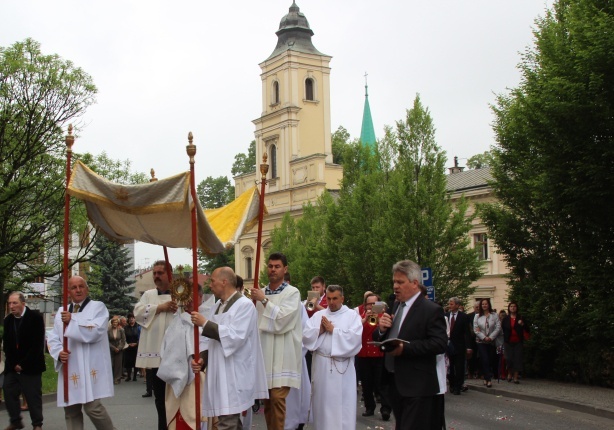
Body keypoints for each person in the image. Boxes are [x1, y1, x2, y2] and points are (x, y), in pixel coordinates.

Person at [191, 267, 269, 429]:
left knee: (227, 422)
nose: (210, 285)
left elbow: (235, 337)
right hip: (220, 373)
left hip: (234, 373)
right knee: (230, 421)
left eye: (213, 281)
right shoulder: (217, 306)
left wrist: (205, 323)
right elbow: (207, 340)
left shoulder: (245, 306)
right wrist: (202, 359)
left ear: (224, 282)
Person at [374, 260, 447, 430]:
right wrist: (382, 330)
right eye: (394, 281)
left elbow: (439, 343)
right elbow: (385, 335)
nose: (395, 286)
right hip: (395, 382)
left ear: (415, 283)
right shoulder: (397, 306)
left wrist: (405, 348)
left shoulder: (430, 310)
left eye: (400, 282)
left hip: (417, 385)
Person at [46, 276, 116, 430]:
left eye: (81, 286)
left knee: (93, 408)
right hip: (71, 366)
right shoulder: (61, 312)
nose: (78, 290)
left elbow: (96, 331)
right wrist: (59, 352)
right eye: (74, 287)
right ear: (68, 291)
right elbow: (53, 337)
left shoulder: (98, 307)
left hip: (90, 365)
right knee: (71, 411)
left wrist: (72, 321)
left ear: (87, 288)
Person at [249, 252, 302, 430]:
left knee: (278, 399)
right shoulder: (259, 293)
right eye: (270, 266)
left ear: (285, 269)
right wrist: (253, 303)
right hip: (264, 353)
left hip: (283, 354)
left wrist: (263, 300)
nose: (273, 270)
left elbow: (282, 320)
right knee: (268, 402)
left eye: (277, 266)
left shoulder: (292, 292)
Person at [303, 285, 362, 429]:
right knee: (322, 405)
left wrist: (333, 331)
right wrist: (320, 330)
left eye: (335, 298)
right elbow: (305, 336)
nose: (331, 302)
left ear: (342, 298)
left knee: (341, 407)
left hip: (342, 369)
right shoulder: (318, 316)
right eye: (329, 298)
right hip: (322, 368)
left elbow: (355, 339)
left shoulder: (351, 316)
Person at [134, 260, 178, 430]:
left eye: (160, 273)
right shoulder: (148, 295)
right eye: (155, 273)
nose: (156, 276)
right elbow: (138, 313)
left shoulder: (179, 293)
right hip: (156, 357)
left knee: (175, 398)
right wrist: (160, 307)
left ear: (170, 274)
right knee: (159, 399)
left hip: (175, 355)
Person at [158, 283, 208, 430]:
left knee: (198, 417)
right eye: (187, 296)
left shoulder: (208, 317)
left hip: (200, 375)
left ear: (200, 297)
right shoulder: (176, 321)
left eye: (194, 296)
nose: (190, 300)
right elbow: (166, 348)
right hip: (176, 375)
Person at [2, 292, 45, 430]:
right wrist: (14, 364)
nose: (11, 306)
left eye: (14, 303)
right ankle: (16, 421)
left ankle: (37, 424)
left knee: (33, 397)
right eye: (9, 303)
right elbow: (7, 344)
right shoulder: (8, 320)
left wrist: (24, 364)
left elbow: (37, 345)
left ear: (23, 303)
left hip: (31, 365)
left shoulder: (35, 318)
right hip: (13, 366)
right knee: (8, 390)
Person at [356, 293, 391, 420]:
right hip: (364, 354)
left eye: (373, 304)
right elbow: (355, 331)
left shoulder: (384, 317)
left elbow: (385, 332)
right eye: (368, 304)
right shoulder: (360, 317)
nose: (371, 306)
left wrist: (377, 318)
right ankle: (369, 407)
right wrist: (365, 319)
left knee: (382, 383)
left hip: (379, 354)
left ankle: (386, 409)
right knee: (366, 383)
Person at [446, 297, 473, 395]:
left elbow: (467, 333)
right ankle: (452, 384)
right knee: (450, 367)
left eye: (452, 304)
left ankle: (458, 386)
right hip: (448, 345)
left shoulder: (464, 317)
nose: (450, 306)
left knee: (459, 367)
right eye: (450, 304)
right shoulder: (446, 316)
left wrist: (468, 347)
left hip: (459, 346)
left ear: (457, 305)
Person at [473, 298, 501, 388]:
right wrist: (484, 337)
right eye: (483, 304)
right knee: (484, 359)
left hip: (491, 341)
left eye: (486, 304)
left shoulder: (494, 315)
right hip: (481, 341)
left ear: (489, 305)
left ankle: (486, 376)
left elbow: (498, 327)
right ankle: (488, 379)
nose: (484, 305)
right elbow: (476, 329)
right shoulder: (477, 316)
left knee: (490, 359)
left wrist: (491, 337)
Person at [501, 302, 529, 384]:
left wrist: (522, 324)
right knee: (508, 358)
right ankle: (509, 373)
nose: (513, 308)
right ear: (509, 308)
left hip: (518, 341)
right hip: (508, 341)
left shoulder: (521, 318)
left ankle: (515, 377)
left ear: (517, 308)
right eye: (511, 306)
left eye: (514, 306)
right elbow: (502, 329)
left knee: (517, 359)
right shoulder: (506, 319)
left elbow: (527, 329)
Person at [107, 317, 126, 385]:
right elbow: (107, 341)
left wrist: (119, 348)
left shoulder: (121, 330)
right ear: (111, 323)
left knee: (118, 364)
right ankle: (111, 378)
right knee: (111, 364)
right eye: (113, 322)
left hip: (119, 349)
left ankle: (117, 379)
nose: (115, 324)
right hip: (111, 348)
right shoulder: (108, 330)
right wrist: (113, 348)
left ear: (118, 323)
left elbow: (123, 341)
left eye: (116, 322)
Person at [123, 313, 140, 382]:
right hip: (128, 347)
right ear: (128, 319)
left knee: (135, 362)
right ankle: (129, 376)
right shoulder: (125, 328)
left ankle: (135, 376)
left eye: (133, 318)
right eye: (130, 318)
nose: (131, 319)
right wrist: (128, 344)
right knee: (128, 362)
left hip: (136, 347)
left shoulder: (138, 327)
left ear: (135, 319)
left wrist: (136, 343)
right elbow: (124, 337)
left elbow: (141, 337)